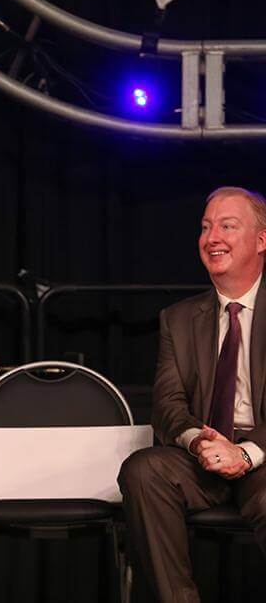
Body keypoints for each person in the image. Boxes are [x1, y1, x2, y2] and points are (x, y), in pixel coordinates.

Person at [119, 186, 266, 602]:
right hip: (203, 457)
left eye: (227, 226)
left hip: (262, 456)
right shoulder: (178, 319)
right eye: (205, 227)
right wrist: (198, 441)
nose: (212, 237)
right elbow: (167, 405)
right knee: (143, 471)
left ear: (261, 240)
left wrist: (246, 454)